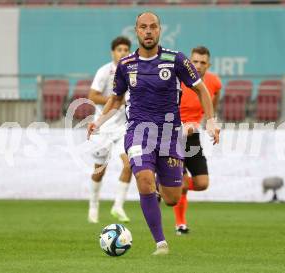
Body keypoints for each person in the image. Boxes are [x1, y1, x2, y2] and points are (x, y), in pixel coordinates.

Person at [88, 12, 219, 255]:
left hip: (169, 135)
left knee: (171, 198)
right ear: (136, 31)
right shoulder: (126, 65)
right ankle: (161, 243)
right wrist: (99, 121)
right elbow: (116, 99)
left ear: (159, 31)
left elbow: (201, 90)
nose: (148, 31)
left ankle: (161, 179)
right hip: (138, 132)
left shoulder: (175, 59)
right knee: (144, 181)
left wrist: (211, 120)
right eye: (143, 27)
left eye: (153, 27)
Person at [173, 46, 222, 235]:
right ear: (189, 62)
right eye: (195, 61)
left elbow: (211, 104)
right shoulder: (177, 79)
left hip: (193, 137)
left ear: (208, 65)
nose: (198, 66)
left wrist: (209, 122)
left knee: (201, 183)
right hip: (173, 136)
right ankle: (180, 224)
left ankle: (163, 186)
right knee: (181, 183)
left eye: (203, 62)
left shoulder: (214, 83)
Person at [87, 36, 133, 224]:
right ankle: (94, 204)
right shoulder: (105, 71)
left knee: (129, 164)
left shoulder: (133, 72)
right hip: (104, 127)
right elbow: (92, 96)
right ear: (113, 52)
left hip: (123, 127)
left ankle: (118, 206)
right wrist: (115, 100)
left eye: (126, 49)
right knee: (99, 170)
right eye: (119, 49)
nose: (123, 52)